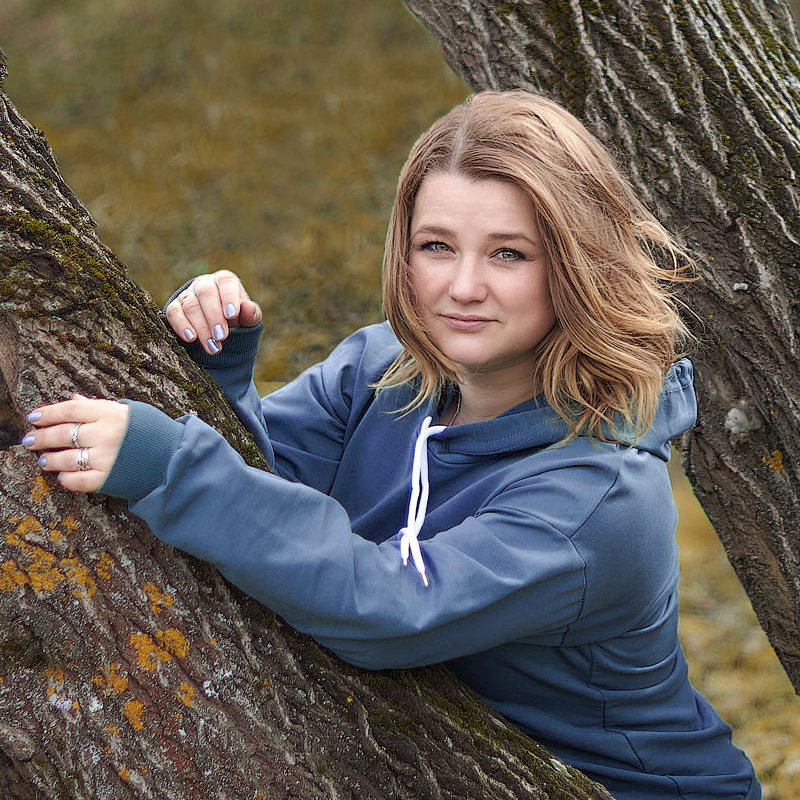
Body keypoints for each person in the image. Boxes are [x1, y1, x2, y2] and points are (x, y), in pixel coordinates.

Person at [22, 90, 760, 799]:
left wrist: (171, 462)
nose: (462, 286)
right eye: (437, 245)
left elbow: (387, 608)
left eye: (509, 254)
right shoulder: (382, 369)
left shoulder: (598, 496)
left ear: (577, 264)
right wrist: (214, 377)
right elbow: (266, 500)